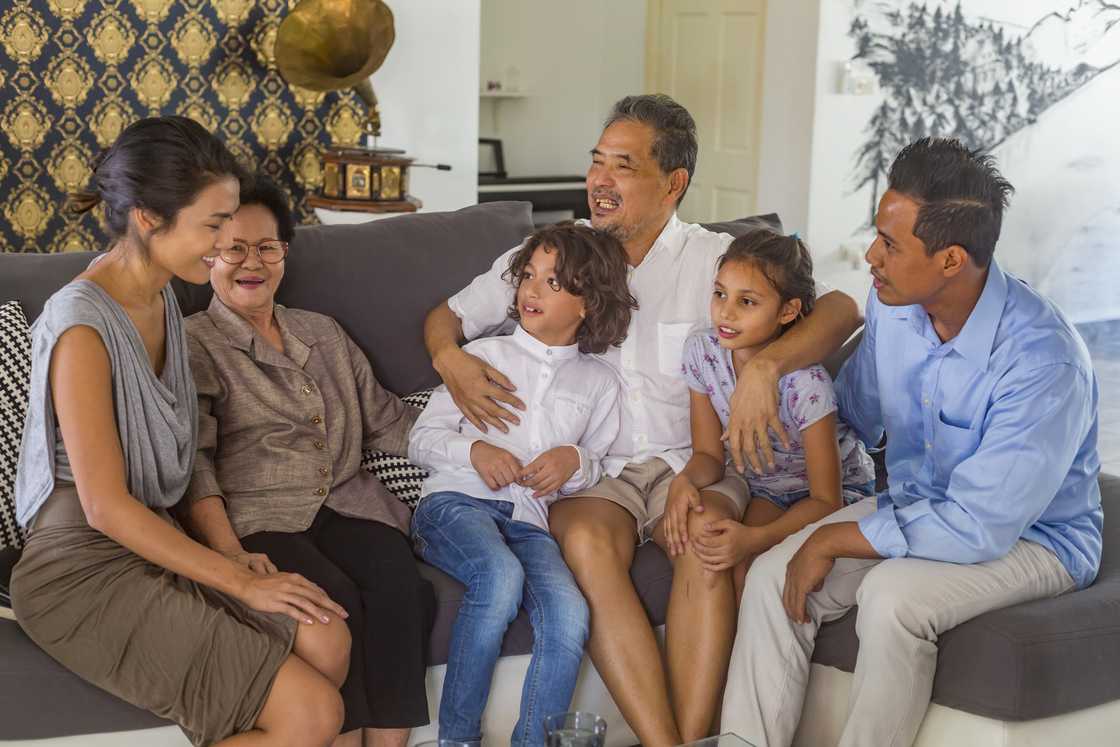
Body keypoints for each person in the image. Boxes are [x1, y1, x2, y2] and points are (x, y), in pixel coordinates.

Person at [423, 93, 862, 745]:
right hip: (597, 473)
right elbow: (449, 315)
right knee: (588, 545)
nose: (599, 180)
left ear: (673, 183)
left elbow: (842, 308)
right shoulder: (554, 256)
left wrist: (766, 369)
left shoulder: (718, 259)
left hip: (698, 462)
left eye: (622, 166)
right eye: (596, 162)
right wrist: (448, 359)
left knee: (707, 540)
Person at [720, 137, 1103, 747]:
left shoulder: (1043, 361)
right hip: (919, 503)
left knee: (894, 597)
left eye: (890, 245)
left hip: (1033, 538)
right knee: (771, 575)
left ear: (951, 260)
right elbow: (854, 410)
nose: (871, 256)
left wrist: (834, 535)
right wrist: (762, 381)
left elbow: (980, 525)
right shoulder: (895, 306)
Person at [11, 117, 351, 747]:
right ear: (148, 218)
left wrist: (229, 553)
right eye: (214, 225)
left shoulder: (163, 297)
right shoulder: (82, 328)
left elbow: (181, 462)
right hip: (81, 568)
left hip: (153, 535)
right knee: (312, 716)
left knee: (326, 632)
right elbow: (105, 508)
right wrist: (241, 580)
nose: (225, 244)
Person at [180, 176, 435, 747]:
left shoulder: (321, 332)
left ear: (284, 254)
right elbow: (192, 463)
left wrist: (479, 444)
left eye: (266, 247)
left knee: (402, 587)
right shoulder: (194, 342)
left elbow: (387, 419)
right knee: (333, 605)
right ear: (207, 257)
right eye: (234, 248)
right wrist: (230, 555)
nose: (253, 262)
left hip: (348, 503)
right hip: (258, 518)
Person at [409, 222, 633, 746]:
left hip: (530, 521)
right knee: (498, 576)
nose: (531, 290)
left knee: (569, 613)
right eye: (528, 276)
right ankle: (457, 738)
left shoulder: (599, 382)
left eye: (553, 283)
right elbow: (421, 438)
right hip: (454, 503)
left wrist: (573, 460)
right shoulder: (483, 357)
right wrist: (475, 450)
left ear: (588, 305)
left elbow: (601, 462)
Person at [667, 230, 875, 609]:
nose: (726, 312)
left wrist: (755, 538)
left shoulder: (807, 386)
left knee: (752, 566)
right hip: (766, 486)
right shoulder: (703, 353)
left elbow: (825, 499)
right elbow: (709, 456)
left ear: (787, 311)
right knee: (726, 561)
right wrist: (683, 482)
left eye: (747, 301)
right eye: (720, 294)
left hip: (827, 494)